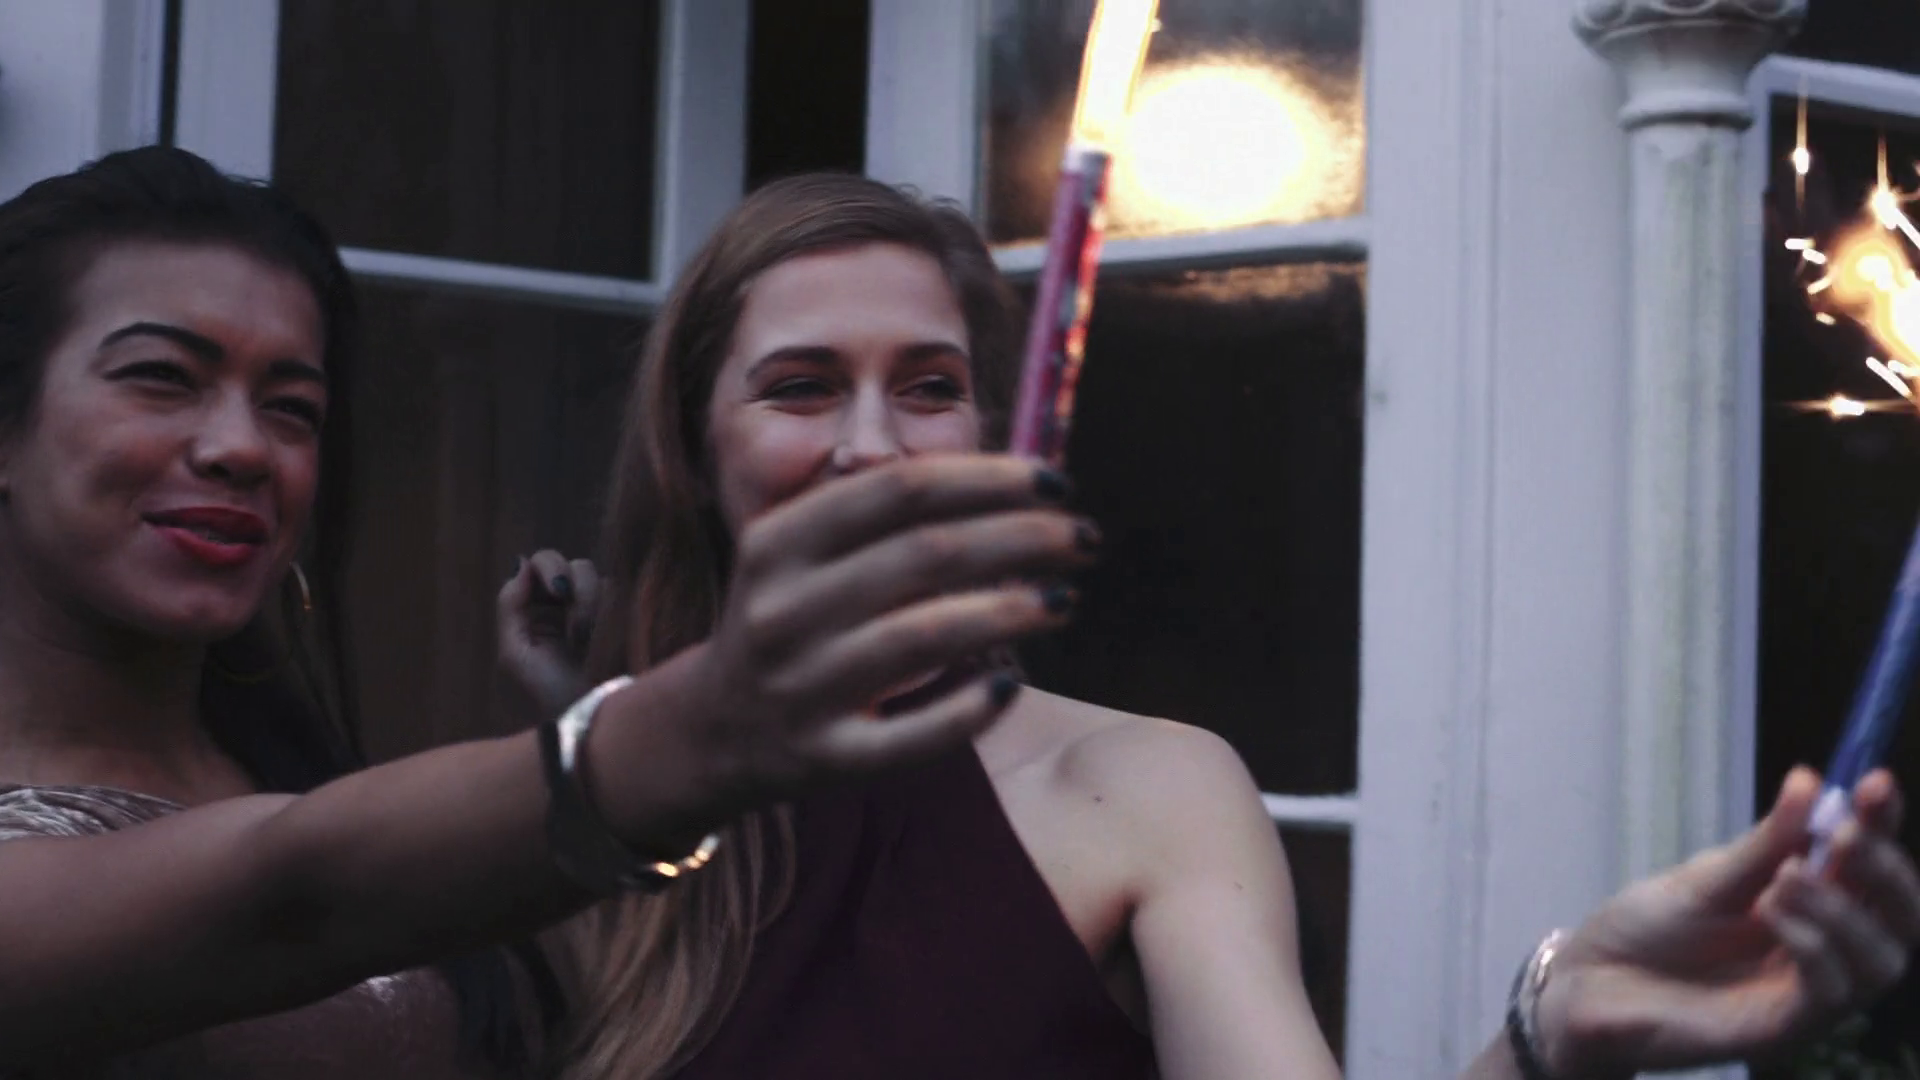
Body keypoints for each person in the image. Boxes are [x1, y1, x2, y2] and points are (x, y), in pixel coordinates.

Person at [499, 173, 1920, 1080]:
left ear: (995, 432)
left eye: (928, 385)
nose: (875, 446)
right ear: (696, 444)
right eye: (802, 387)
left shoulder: (1144, 790)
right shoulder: (600, 813)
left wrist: (1551, 1035)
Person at [0, 148, 1093, 1077]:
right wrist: (684, 727)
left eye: (293, 408)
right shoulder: (306, 838)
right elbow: (295, 890)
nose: (242, 447)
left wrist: (588, 707)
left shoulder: (298, 767)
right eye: (159, 378)